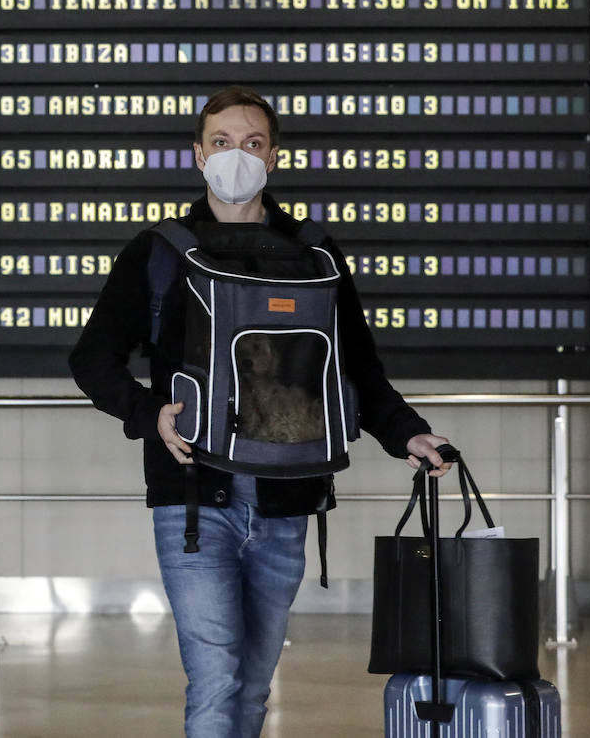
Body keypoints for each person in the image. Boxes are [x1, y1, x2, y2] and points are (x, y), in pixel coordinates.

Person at [68, 85, 454, 737]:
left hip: (287, 499)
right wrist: (149, 412)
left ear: (274, 155)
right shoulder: (161, 252)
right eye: (221, 143)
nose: (236, 156)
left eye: (251, 143)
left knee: (251, 685)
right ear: (197, 154)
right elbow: (91, 358)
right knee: (216, 679)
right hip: (193, 498)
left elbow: (356, 366)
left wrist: (409, 435)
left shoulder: (315, 253)